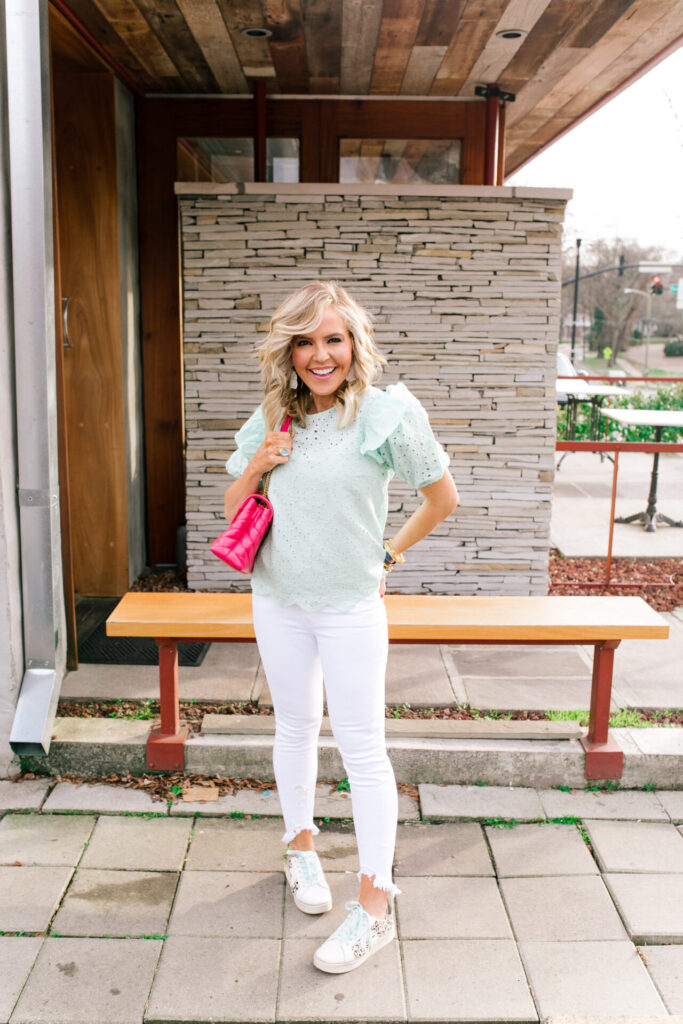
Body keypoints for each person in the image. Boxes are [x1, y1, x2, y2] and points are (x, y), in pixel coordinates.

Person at [224, 281, 459, 973]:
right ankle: (300, 849)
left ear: (354, 345)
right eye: (304, 341)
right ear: (288, 350)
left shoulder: (386, 416)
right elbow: (234, 498)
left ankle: (374, 905)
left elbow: (441, 498)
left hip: (351, 605)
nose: (318, 354)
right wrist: (260, 463)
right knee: (294, 727)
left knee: (362, 751)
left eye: (332, 339)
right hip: (277, 598)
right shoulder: (275, 412)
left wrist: (389, 553)